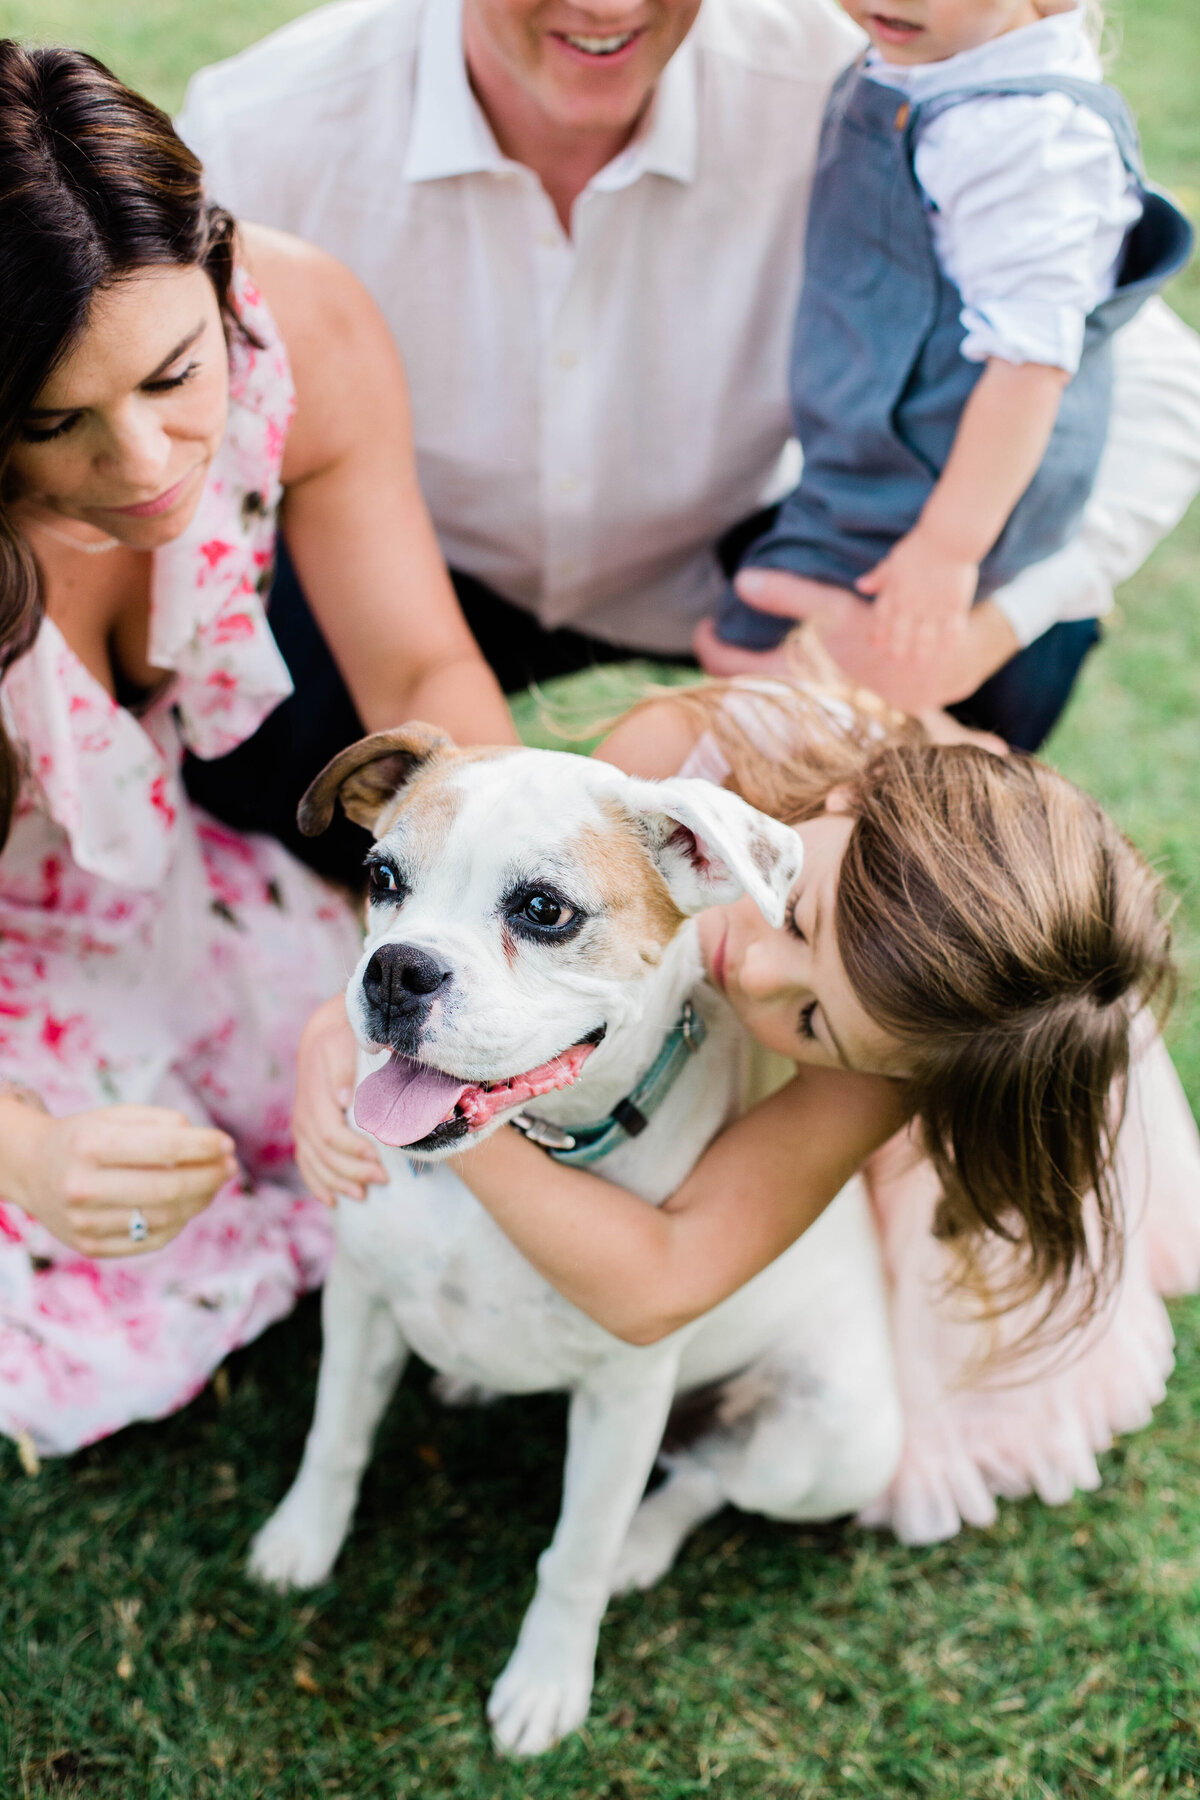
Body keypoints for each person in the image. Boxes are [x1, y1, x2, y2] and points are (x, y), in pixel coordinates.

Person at [177, 0, 1200, 871]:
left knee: (1007, 656)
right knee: (254, 754)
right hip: (422, 563)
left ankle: (854, 946)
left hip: (742, 557)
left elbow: (1153, 391)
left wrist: (975, 632)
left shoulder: (870, 66)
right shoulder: (268, 124)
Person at [294, 668, 1200, 1543]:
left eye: (811, 1019)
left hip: (820, 1142)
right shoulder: (681, 761)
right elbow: (475, 865)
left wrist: (431, 1084)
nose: (756, 973)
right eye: (798, 914)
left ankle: (693, 1492)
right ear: (850, 801)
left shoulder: (882, 1060)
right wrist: (342, 1024)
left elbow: (658, 1288)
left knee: (819, 1324)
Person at [0, 43, 513, 1457]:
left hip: (161, 876)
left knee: (375, 1094)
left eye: (175, 374)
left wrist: (507, 906)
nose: (152, 460)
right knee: (80, 1316)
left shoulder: (301, 324)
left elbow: (417, 666)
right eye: (56, 423)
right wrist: (29, 1150)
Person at [713, 0, 1192, 674]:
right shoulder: (933, 57)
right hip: (872, 458)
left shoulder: (1028, 138)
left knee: (755, 657)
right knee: (758, 653)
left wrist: (946, 548)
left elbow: (1030, 365)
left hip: (931, 493)